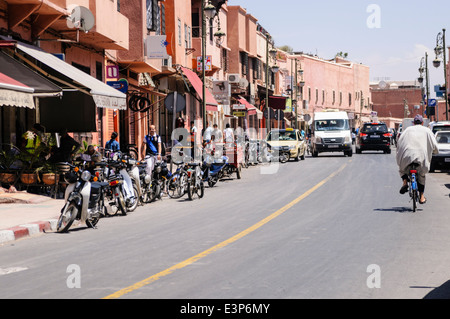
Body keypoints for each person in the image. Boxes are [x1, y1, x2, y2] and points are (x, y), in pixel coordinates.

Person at [396, 114, 439, 204]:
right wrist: (434, 152)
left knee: (401, 170)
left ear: (413, 123)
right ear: (422, 122)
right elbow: (435, 146)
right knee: (421, 176)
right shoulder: (427, 131)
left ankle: (404, 182)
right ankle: (422, 197)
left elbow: (399, 144)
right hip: (421, 159)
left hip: (406, 158)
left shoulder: (407, 130)